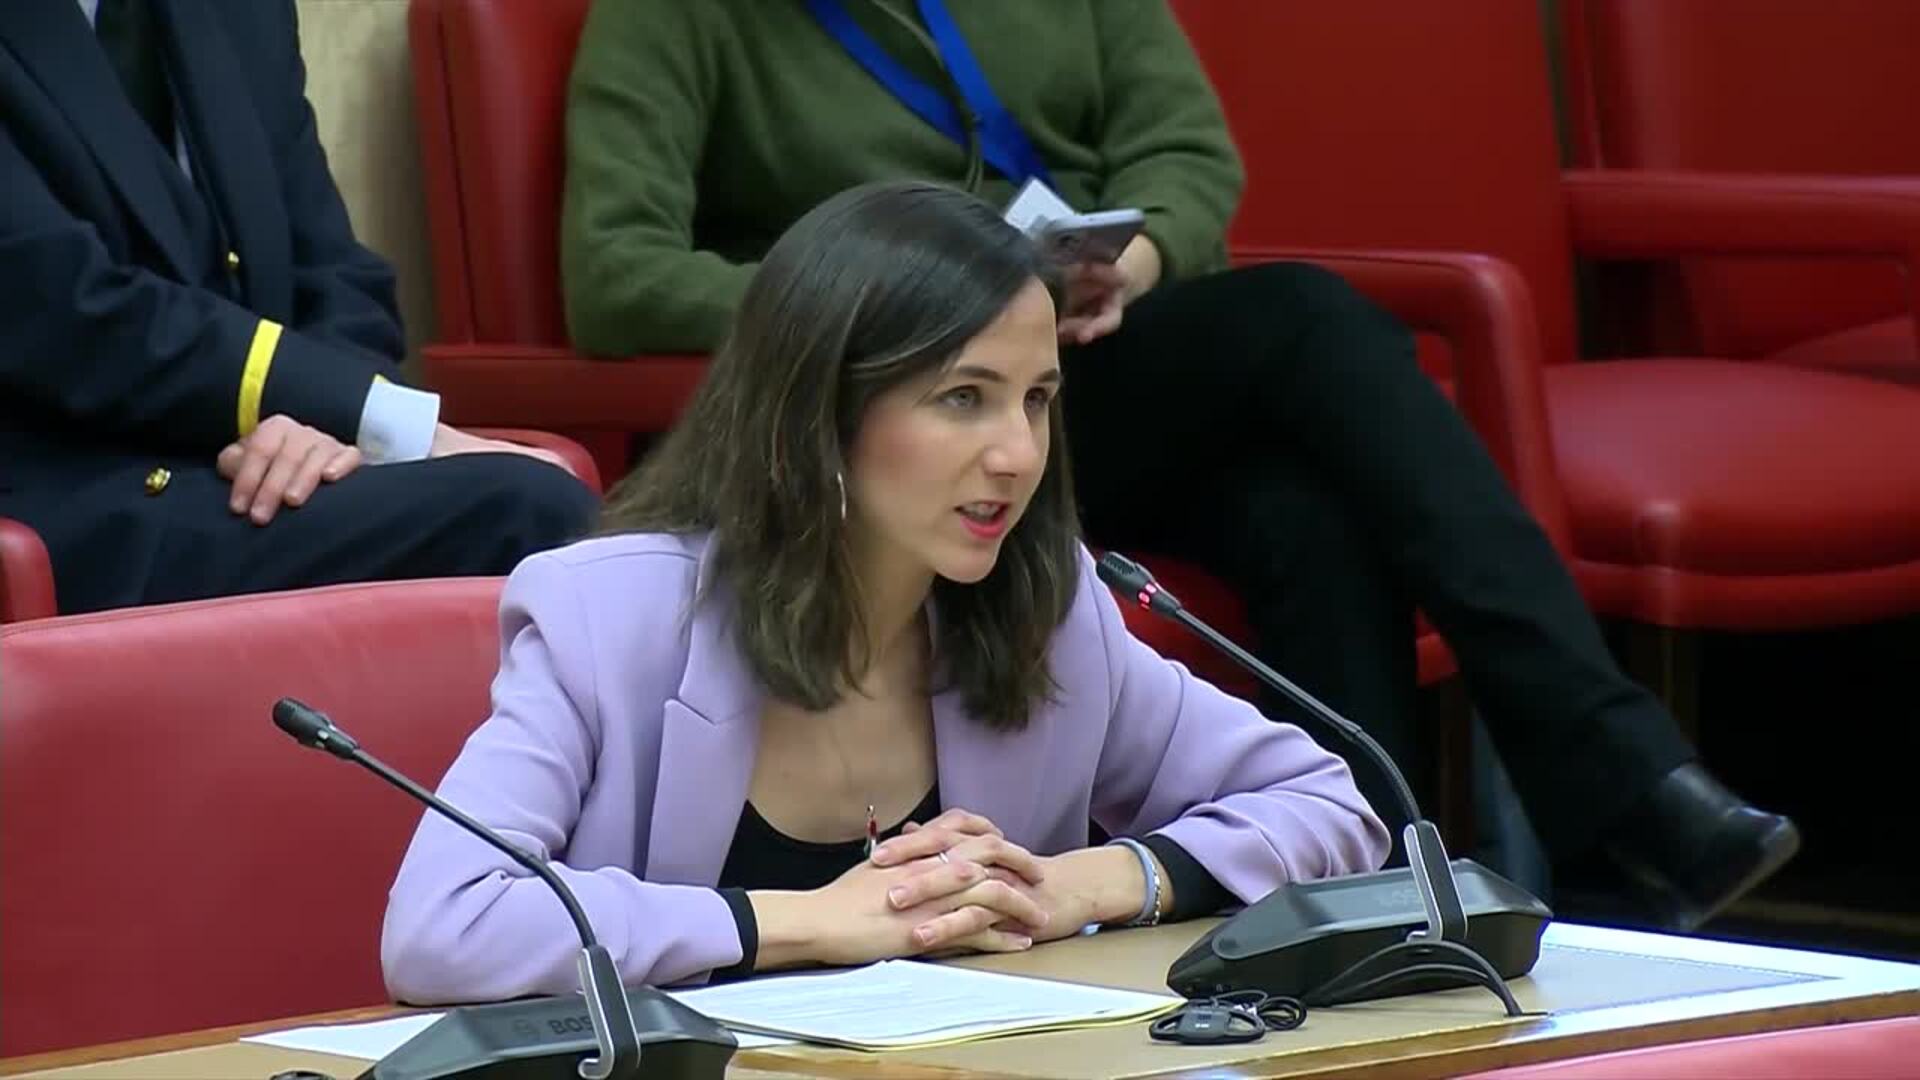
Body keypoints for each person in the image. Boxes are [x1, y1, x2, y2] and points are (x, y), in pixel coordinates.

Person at [554, 0, 1798, 931]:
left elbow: (1191, 157)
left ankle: (1385, 908)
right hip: (882, 405)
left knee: (1304, 513)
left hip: (1087, 359)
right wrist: (892, 316)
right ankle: (1607, 776)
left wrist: (1128, 268)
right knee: (1309, 323)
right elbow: (615, 271)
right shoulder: (679, 12)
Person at [380, 182, 1388, 1001]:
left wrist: (1087, 883)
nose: (1017, 453)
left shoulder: (1047, 612)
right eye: (964, 398)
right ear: (816, 416)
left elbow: (1330, 804)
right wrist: (812, 921)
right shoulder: (608, 619)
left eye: (1038, 400)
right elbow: (445, 924)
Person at [0, 0, 596, 615]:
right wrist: (365, 414)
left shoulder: (241, 13)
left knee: (566, 520)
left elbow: (337, 272)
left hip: (251, 476)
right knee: (531, 514)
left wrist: (318, 434)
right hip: (77, 498)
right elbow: (72, 312)